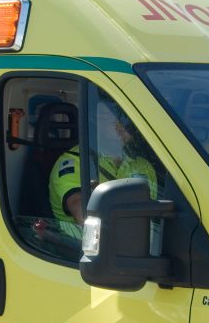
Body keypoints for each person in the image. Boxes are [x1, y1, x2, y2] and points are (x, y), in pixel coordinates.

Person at [48, 99, 159, 237]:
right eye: (110, 117)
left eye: (126, 118)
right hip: (78, 250)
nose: (120, 125)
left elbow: (154, 213)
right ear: (95, 120)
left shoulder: (143, 165)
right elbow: (82, 214)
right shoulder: (74, 161)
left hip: (138, 246)